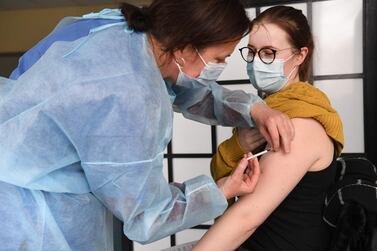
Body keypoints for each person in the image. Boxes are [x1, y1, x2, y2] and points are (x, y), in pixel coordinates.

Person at [0, 1, 295, 250]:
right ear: (185, 49)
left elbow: (186, 89)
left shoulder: (119, 30)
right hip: (29, 222)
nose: (218, 68)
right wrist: (220, 191)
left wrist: (253, 109)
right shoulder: (131, 98)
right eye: (219, 58)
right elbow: (147, 215)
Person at [193, 6, 344, 251]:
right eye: (251, 52)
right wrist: (236, 146)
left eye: (269, 53)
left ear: (300, 55)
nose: (256, 62)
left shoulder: (300, 122)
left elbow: (246, 217)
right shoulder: (262, 112)